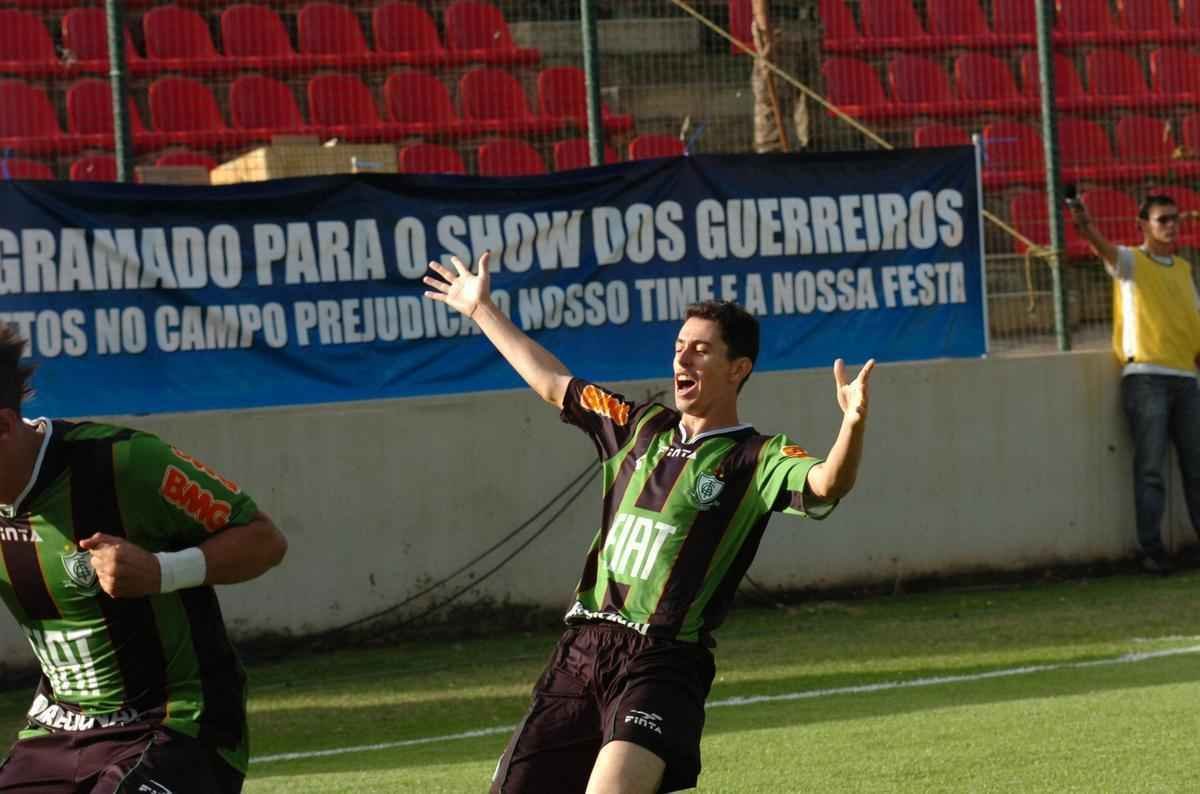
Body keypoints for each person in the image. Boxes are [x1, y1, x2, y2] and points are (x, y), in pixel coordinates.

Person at [423, 252, 873, 794]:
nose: (682, 358)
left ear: (739, 368)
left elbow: (827, 485)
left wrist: (851, 425)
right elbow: (552, 383)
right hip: (583, 649)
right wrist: (480, 310)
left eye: (700, 349)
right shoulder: (636, 427)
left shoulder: (757, 457)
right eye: (679, 347)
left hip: (664, 660)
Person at [0, 324, 287, 793]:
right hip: (56, 729)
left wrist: (161, 571)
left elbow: (264, 540)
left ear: (4, 426)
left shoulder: (123, 463)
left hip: (178, 722)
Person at [1069, 193, 1200, 575]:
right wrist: (1085, 225)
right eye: (1163, 220)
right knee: (1151, 468)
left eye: (1175, 218)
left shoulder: (1182, 269)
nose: (1171, 225)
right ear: (1142, 225)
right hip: (1146, 377)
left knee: (1195, 467)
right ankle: (1152, 549)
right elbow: (1102, 248)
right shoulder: (1131, 262)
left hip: (1185, 377)